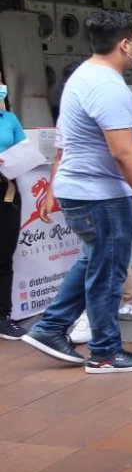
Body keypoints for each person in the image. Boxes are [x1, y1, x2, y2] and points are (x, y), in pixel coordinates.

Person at [21, 10, 132, 374]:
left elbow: (64, 140)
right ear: (125, 44)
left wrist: (54, 186)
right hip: (99, 194)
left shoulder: (81, 76)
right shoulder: (107, 87)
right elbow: (123, 153)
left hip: (79, 188)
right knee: (108, 271)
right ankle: (105, 351)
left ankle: (50, 328)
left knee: (93, 261)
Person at [0, 72, 28, 340]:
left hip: (7, 192)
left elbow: (24, 150)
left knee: (4, 255)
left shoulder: (9, 120)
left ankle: (3, 317)